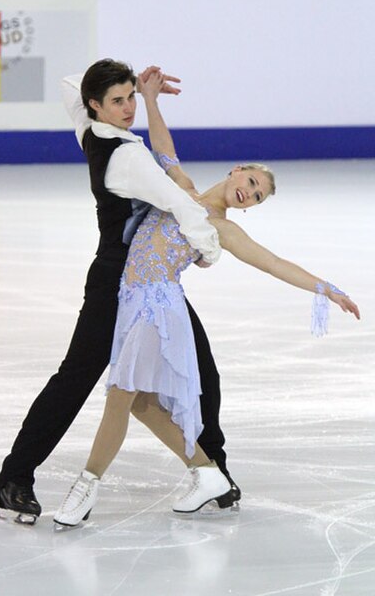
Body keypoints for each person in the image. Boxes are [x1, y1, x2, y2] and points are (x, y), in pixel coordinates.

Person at [53, 72, 360, 527]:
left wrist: (325, 288)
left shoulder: (223, 229)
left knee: (120, 397)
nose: (249, 193)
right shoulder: (182, 186)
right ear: (237, 169)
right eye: (252, 181)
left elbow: (273, 263)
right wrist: (151, 99)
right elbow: (163, 149)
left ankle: (87, 486)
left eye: (256, 197)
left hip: (156, 309)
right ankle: (205, 472)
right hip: (131, 299)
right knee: (140, 403)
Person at [0, 59, 241, 525]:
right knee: (77, 380)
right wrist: (208, 250)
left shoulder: (90, 128)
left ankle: (214, 472)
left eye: (129, 98)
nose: (128, 109)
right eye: (118, 101)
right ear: (96, 105)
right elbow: (180, 203)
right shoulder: (128, 158)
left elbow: (71, 84)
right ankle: (13, 479)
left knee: (201, 369)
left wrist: (141, 91)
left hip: (144, 279)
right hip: (118, 285)